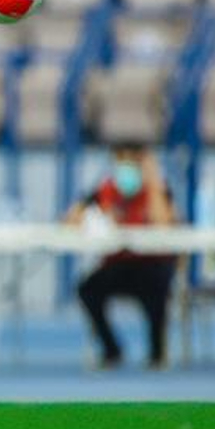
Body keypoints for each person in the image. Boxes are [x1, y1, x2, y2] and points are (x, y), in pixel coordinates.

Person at [64, 143, 177, 368]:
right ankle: (111, 348)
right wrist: (87, 216)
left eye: (132, 164)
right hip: (118, 264)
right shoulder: (106, 191)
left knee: (158, 289)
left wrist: (153, 183)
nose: (126, 172)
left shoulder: (157, 190)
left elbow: (164, 223)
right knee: (87, 289)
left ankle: (157, 353)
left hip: (150, 264)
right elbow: (71, 219)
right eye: (121, 164)